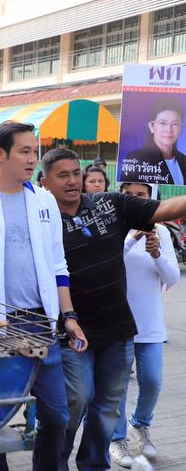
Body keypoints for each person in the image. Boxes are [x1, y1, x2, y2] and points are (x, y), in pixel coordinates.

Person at [0, 121, 87, 471]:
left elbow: (58, 265)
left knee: (56, 416)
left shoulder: (44, 202)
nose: (32, 159)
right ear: (0, 154)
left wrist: (68, 317)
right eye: (25, 151)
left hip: (40, 324)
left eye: (34, 151)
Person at [40, 148, 186, 471]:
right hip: (71, 332)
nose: (72, 181)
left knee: (108, 407)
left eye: (76, 173)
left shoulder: (112, 203)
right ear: (45, 181)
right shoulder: (42, 220)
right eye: (62, 175)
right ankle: (54, 461)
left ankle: (94, 462)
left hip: (118, 330)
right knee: (75, 400)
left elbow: (164, 208)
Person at [109, 182, 179, 468]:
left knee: (151, 381)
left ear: (151, 199)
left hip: (149, 324)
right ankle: (116, 437)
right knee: (117, 386)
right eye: (130, 195)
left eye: (142, 196)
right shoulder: (112, 228)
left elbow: (172, 278)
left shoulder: (160, 231)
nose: (136, 200)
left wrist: (157, 253)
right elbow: (107, 267)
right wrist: (130, 240)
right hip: (116, 323)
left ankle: (140, 424)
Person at [123, 96, 186, 185]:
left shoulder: (183, 160)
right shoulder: (136, 159)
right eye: (162, 123)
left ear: (180, 127)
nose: (169, 129)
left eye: (175, 124)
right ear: (152, 126)